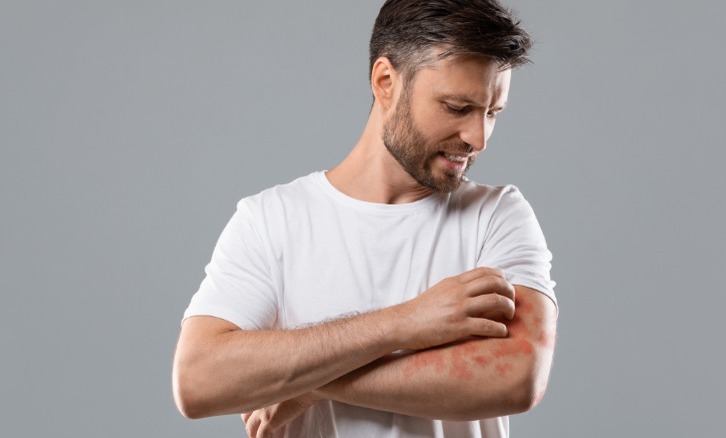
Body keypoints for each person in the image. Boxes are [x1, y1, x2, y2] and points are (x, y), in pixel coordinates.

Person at [173, 0, 558, 436]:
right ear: (386, 81)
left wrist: (309, 384)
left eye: (492, 113)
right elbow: (198, 380)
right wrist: (404, 322)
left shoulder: (497, 215)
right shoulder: (271, 220)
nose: (478, 138)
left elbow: (515, 376)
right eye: (456, 108)